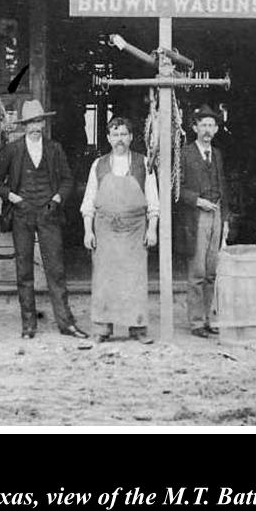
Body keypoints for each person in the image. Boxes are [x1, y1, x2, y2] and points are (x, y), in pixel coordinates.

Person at [0, 99, 89, 340]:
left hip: (48, 214)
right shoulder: (11, 150)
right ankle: (29, 324)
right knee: (24, 271)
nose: (36, 126)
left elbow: (68, 181)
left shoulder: (54, 149)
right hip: (21, 214)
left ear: (44, 123)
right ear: (24, 125)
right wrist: (13, 197)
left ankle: (66, 323)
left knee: (56, 269)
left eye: (39, 121)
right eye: (31, 122)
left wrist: (55, 200)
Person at [80, 117, 159, 343]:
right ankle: (103, 329)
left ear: (132, 137)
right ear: (108, 138)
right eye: (115, 135)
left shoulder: (144, 163)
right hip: (105, 228)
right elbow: (89, 201)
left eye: (124, 134)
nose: (120, 139)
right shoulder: (99, 164)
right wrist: (88, 230)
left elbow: (153, 200)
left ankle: (138, 329)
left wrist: (152, 228)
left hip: (135, 229)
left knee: (135, 279)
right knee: (105, 279)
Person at [176, 104, 229, 338]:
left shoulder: (217, 154)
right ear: (195, 127)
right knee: (197, 272)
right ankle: (196, 322)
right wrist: (198, 201)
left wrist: (224, 218)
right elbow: (175, 188)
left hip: (216, 215)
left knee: (211, 271)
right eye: (203, 125)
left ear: (216, 129)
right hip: (196, 217)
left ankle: (209, 319)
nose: (207, 130)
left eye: (211, 125)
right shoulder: (184, 153)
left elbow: (223, 187)